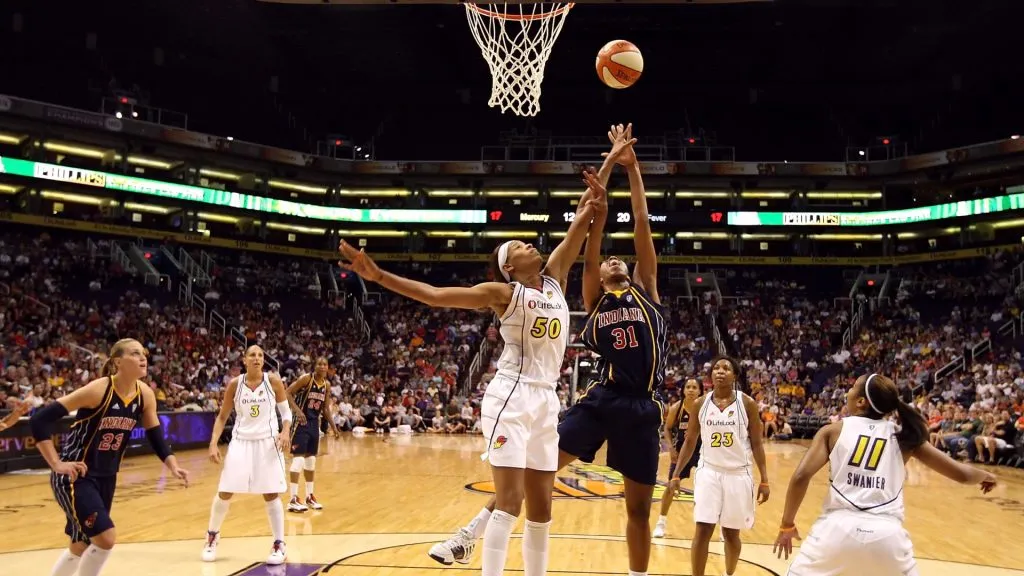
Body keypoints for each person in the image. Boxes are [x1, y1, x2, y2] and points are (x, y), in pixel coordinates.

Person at [340, 161, 608, 576]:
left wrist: (608, 165)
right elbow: (433, 295)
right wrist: (378, 276)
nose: (529, 245)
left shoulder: (554, 276)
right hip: (511, 399)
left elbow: (584, 214)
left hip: (545, 400)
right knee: (509, 503)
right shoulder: (502, 293)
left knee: (541, 507)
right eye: (519, 245)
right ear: (509, 266)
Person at [428, 124, 667, 576]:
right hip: (601, 400)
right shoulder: (593, 296)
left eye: (623, 261)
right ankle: (472, 533)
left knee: (637, 509)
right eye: (608, 261)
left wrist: (628, 168)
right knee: (530, 480)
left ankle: (473, 535)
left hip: (641, 406)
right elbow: (588, 231)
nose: (616, 260)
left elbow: (640, 222)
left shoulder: (648, 291)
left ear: (634, 272)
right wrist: (605, 182)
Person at [773, 373, 997, 575]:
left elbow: (801, 477)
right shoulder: (904, 436)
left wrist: (787, 524)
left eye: (852, 388)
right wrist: (987, 475)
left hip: (835, 531)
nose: (848, 391)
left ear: (861, 402)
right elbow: (963, 475)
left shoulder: (833, 430)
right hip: (888, 538)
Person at [29, 338, 190, 576]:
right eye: (135, 354)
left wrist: (173, 465)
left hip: (107, 476)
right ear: (118, 362)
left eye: (144, 353)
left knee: (81, 544)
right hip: (77, 475)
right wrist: (56, 464)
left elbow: (155, 436)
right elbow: (39, 420)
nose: (143, 357)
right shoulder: (99, 389)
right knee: (106, 538)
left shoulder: (144, 394)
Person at [671, 356, 770, 576]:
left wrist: (764, 479)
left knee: (731, 533)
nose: (720, 371)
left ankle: (728, 574)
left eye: (726, 368)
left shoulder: (747, 404)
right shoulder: (700, 404)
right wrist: (676, 474)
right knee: (703, 529)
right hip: (709, 471)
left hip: (738, 473)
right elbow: (690, 441)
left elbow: (756, 442)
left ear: (735, 375)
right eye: (716, 368)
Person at [202, 345, 294, 565]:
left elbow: (286, 414)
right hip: (241, 442)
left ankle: (279, 543)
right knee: (225, 491)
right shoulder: (235, 384)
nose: (257, 358)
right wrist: (213, 443)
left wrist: (285, 431)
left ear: (264, 360)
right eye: (252, 355)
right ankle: (212, 537)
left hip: (268, 443)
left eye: (260, 355)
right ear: (244, 360)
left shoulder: (273, 382)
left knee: (270, 493)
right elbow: (223, 416)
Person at [286, 356, 338, 512]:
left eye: (325, 364)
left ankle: (309, 496)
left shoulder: (326, 385)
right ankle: (293, 499)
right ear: (315, 366)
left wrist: (334, 427)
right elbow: (288, 393)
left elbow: (326, 409)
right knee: (298, 460)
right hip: (300, 423)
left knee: (311, 461)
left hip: (314, 424)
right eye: (319, 364)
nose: (322, 366)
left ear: (328, 367)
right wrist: (297, 411)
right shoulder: (306, 379)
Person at [653, 378, 702, 539]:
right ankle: (661, 523)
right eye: (688, 387)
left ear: (700, 391)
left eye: (695, 387)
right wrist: (671, 449)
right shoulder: (677, 407)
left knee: (709, 490)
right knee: (670, 486)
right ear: (683, 390)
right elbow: (666, 429)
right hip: (681, 452)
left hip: (703, 452)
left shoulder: (707, 407)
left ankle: (720, 527)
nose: (691, 390)